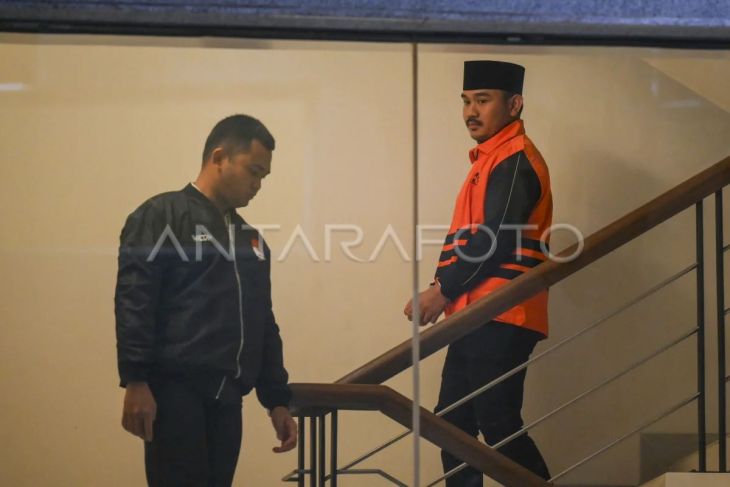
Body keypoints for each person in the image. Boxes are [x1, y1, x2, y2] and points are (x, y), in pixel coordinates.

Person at [115, 114, 297, 487]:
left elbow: (263, 322)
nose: (257, 185)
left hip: (229, 400)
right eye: (253, 171)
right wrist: (135, 380)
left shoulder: (252, 240)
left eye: (263, 177)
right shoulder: (162, 215)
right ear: (218, 157)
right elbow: (136, 298)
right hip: (174, 394)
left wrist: (277, 400)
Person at [404, 61, 552, 485]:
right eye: (467, 101)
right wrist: (442, 289)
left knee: (497, 421)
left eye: (483, 101)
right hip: (476, 313)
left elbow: (495, 238)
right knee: (452, 422)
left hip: (503, 312)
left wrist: (441, 290)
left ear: (514, 104)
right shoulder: (489, 159)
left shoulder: (515, 157)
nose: (471, 111)